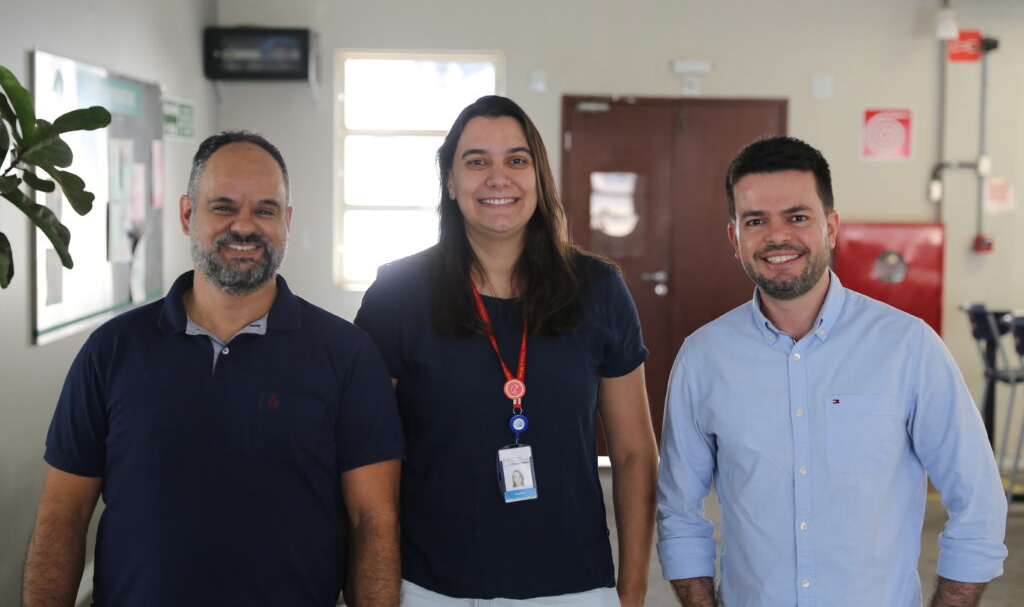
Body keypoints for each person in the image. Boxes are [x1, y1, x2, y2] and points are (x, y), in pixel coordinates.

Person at [23, 131, 404, 607]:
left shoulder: (347, 354)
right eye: (223, 207)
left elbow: (374, 520)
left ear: (286, 221)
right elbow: (63, 512)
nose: (244, 227)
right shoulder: (113, 350)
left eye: (265, 210)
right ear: (187, 214)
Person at [656, 136, 1008, 607]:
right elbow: (679, 513)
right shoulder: (703, 358)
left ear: (832, 227)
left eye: (797, 217)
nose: (776, 236)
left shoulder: (907, 347)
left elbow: (978, 500)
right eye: (755, 221)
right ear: (735, 239)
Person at [355, 95, 658, 606]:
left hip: (574, 587)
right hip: (433, 587)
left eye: (516, 160)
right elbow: (367, 458)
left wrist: (631, 590)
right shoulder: (398, 293)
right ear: (450, 182)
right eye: (477, 162)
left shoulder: (598, 289)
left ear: (539, 178)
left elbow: (632, 453)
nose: (498, 178)